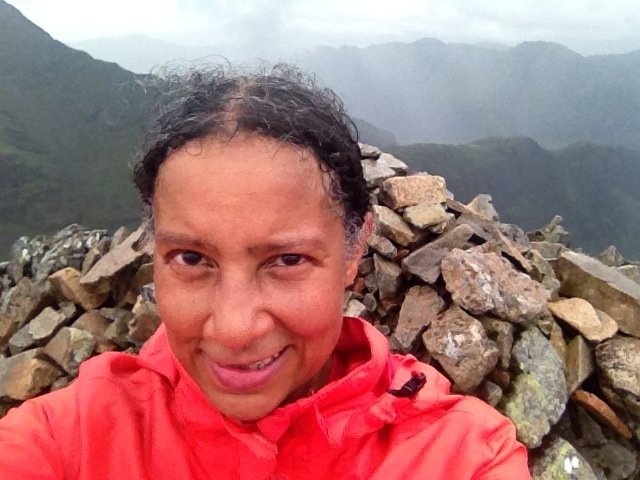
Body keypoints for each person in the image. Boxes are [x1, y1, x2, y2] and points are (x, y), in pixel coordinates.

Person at [0, 65, 531, 479]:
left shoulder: (464, 458)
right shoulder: (65, 440)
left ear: (354, 249)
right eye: (191, 259)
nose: (234, 329)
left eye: (288, 261)